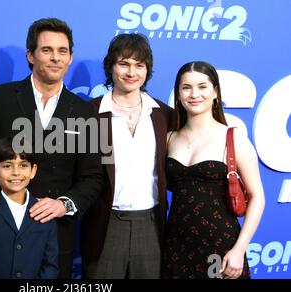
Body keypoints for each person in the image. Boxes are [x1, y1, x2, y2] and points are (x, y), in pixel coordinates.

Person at [0, 18, 103, 278]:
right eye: (47, 50)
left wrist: (65, 204)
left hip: (55, 234)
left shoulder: (84, 111)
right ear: (30, 54)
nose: (55, 58)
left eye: (63, 51)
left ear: (71, 57)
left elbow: (92, 176)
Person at [80, 33, 173, 278]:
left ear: (147, 70)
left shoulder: (164, 114)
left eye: (139, 65)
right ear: (111, 67)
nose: (131, 72)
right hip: (104, 226)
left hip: (152, 225)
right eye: (124, 63)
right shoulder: (89, 113)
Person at [162, 61, 265, 279]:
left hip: (221, 247)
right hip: (175, 245)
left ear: (215, 92)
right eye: (186, 87)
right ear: (178, 95)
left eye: (202, 87)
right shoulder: (169, 138)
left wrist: (239, 249)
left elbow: (257, 197)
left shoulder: (233, 138)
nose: (194, 94)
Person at [0, 137, 58, 279]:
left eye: (23, 165)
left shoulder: (44, 213)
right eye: (7, 166)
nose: (16, 172)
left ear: (33, 170)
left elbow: (50, 266)